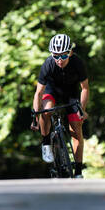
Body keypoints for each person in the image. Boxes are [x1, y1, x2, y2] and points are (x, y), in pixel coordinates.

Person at [31, 34, 89, 178]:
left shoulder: (77, 63)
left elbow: (85, 88)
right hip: (52, 90)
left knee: (76, 128)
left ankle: (78, 171)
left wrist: (83, 109)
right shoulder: (48, 64)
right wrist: (35, 116)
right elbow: (38, 93)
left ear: (70, 52)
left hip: (71, 93)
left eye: (63, 56)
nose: (59, 60)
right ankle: (46, 144)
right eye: (56, 56)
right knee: (46, 110)